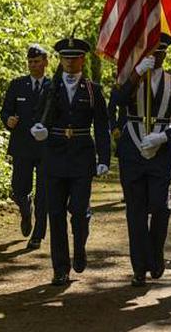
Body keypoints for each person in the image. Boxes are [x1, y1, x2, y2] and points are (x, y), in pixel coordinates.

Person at [31, 38, 111, 286]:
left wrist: (104, 158)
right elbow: (39, 116)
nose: (69, 62)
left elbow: (101, 126)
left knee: (78, 211)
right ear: (60, 60)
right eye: (66, 58)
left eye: (74, 58)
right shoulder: (50, 87)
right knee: (55, 213)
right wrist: (39, 129)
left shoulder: (92, 89)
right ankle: (60, 268)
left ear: (82, 60)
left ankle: (80, 246)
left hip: (81, 157)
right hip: (54, 156)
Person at [115, 33, 171, 286]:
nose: (155, 55)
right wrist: (136, 73)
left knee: (160, 206)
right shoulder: (131, 76)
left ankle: (155, 253)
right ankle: (139, 267)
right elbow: (117, 101)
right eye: (150, 51)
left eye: (159, 52)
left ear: (166, 54)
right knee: (135, 210)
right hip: (132, 151)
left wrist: (165, 137)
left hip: (160, 151)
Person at [0, 44, 51, 249]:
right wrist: (8, 120)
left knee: (44, 193)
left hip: (46, 148)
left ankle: (38, 234)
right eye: (30, 62)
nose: (33, 65)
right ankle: (25, 210)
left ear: (45, 62)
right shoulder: (17, 85)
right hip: (22, 146)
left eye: (37, 62)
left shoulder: (53, 86)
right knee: (19, 189)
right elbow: (5, 111)